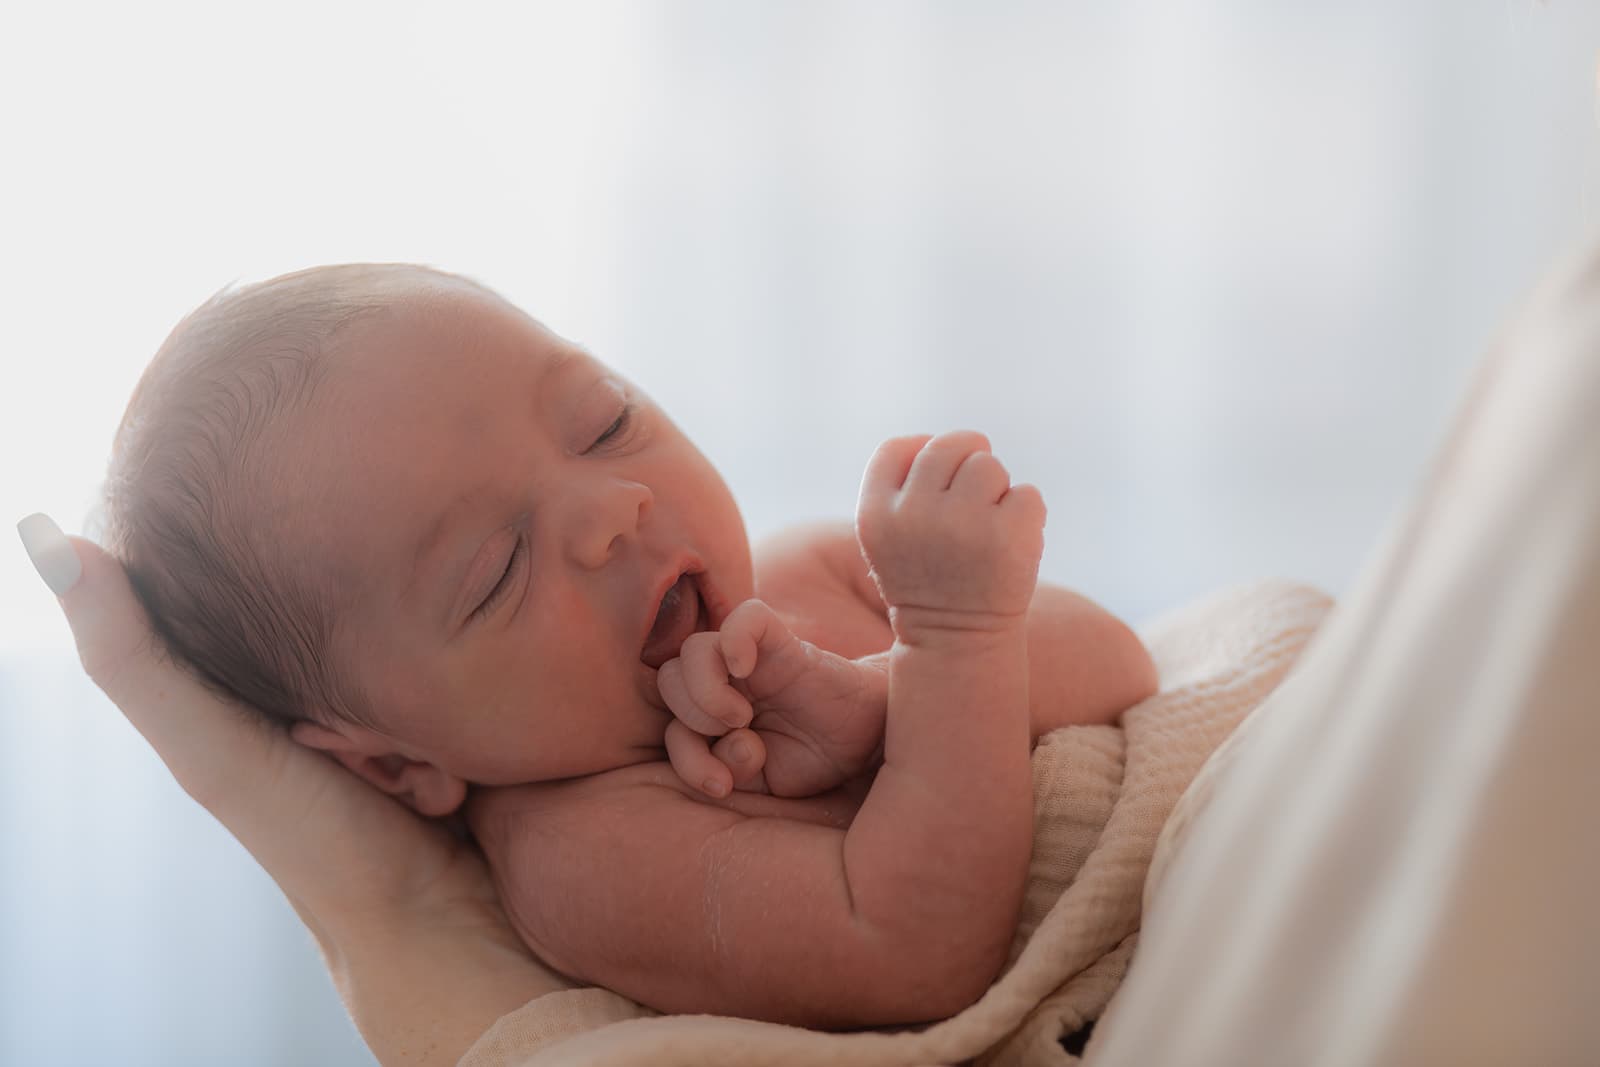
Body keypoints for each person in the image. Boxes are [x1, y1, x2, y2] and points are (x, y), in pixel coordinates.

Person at [74, 264, 1160, 1028]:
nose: (611, 509)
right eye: (494, 569)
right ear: (399, 763)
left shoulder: (812, 569)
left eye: (603, 422)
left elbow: (1122, 660)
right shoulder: (581, 845)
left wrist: (885, 690)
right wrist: (959, 641)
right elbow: (912, 950)